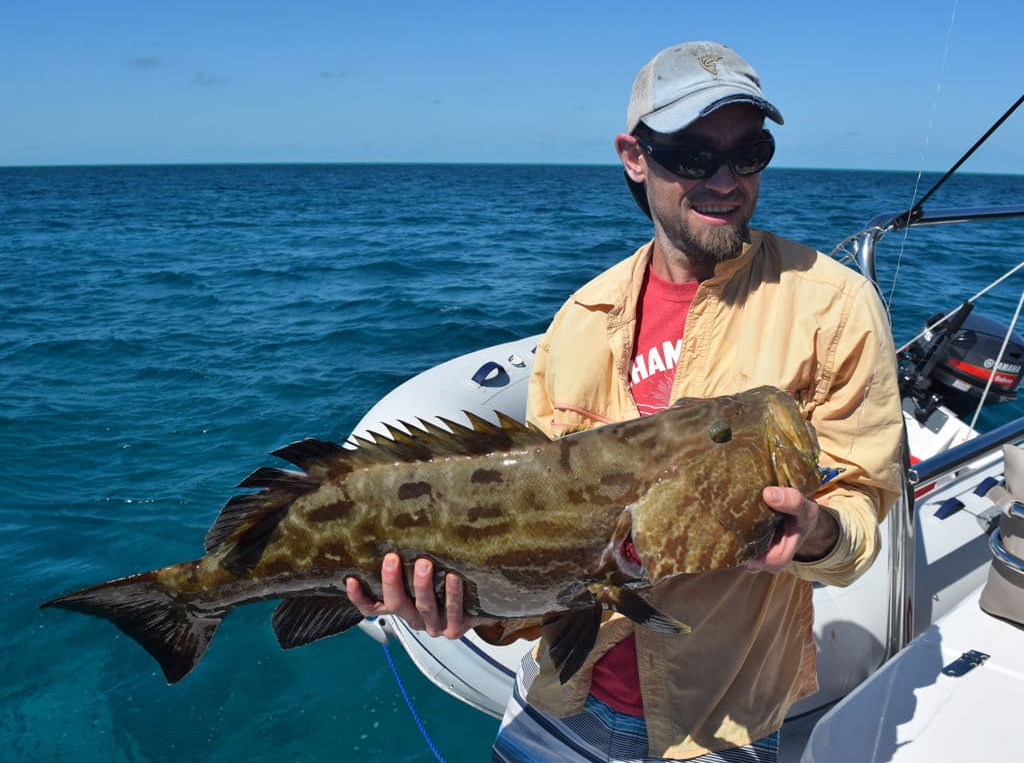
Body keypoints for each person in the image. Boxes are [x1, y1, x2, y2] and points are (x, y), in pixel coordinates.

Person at [347, 40, 905, 762]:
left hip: (720, 724)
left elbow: (863, 510)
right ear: (635, 157)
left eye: (750, 152)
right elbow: (536, 542)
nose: (726, 179)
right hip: (560, 696)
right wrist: (467, 610)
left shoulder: (833, 306)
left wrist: (822, 534)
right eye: (693, 156)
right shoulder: (581, 318)